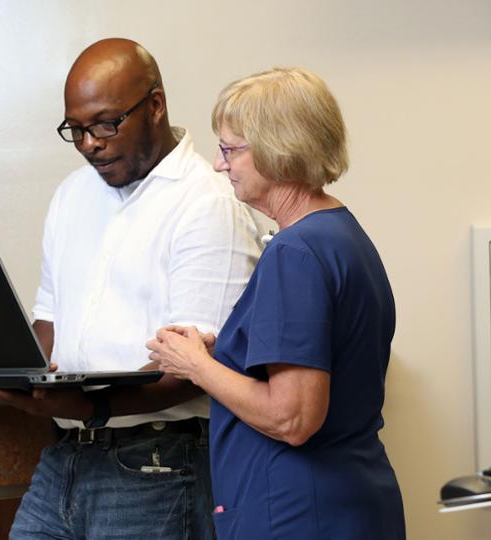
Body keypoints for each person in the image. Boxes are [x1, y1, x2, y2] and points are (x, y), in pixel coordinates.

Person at [0, 38, 261, 539]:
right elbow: (50, 323)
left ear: (155, 105)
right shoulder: (71, 195)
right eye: (77, 130)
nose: (90, 143)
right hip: (66, 453)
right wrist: (21, 373)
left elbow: (198, 367)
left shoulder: (206, 202)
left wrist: (89, 406)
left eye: (107, 124)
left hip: (158, 459)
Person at [146, 67, 405, 539]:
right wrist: (221, 352)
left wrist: (194, 366)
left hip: (299, 513)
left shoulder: (294, 253)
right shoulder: (341, 234)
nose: (220, 165)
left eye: (229, 150)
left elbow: (293, 417)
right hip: (349, 503)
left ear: (276, 147)